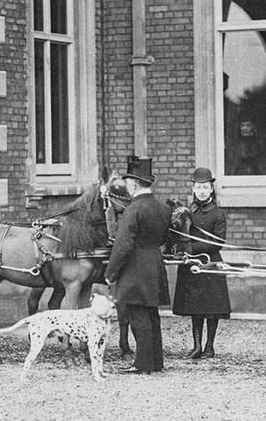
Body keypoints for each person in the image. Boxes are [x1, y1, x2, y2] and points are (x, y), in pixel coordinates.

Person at [105, 156, 171, 374]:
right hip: (154, 263)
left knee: (137, 315)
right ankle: (156, 362)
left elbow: (122, 245)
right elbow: (164, 239)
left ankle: (142, 364)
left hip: (135, 268)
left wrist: (110, 273)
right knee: (151, 315)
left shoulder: (133, 210)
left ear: (133, 183)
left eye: (128, 183)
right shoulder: (162, 208)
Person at [171, 167, 231, 359]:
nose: (202, 191)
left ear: (211, 189)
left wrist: (191, 249)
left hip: (210, 263)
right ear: (193, 189)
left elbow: (218, 242)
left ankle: (209, 346)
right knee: (195, 306)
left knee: (211, 308)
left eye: (205, 187)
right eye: (198, 187)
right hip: (192, 266)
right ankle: (196, 346)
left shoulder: (218, 214)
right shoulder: (188, 212)